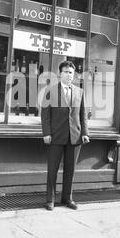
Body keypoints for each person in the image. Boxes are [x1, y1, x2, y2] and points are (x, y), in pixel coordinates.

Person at [41, 61, 90, 211]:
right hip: (55, 136)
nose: (69, 75)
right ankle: (50, 200)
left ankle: (67, 198)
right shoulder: (50, 91)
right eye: (66, 72)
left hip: (74, 137)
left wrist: (85, 133)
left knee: (70, 170)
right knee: (52, 170)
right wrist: (46, 133)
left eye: (71, 72)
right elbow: (45, 115)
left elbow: (83, 116)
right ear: (60, 74)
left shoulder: (79, 92)